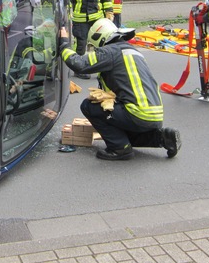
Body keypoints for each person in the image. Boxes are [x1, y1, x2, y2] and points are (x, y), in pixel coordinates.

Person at [59, 19, 181, 160]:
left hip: (137, 114)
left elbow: (79, 64)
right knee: (121, 133)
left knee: (88, 106)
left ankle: (119, 149)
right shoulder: (132, 51)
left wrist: (63, 44)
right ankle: (162, 138)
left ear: (101, 38)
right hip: (154, 115)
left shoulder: (110, 52)